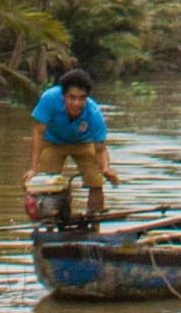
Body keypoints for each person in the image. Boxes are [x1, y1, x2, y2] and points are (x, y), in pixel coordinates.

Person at [27, 65, 118, 213]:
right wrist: (33, 168)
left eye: (81, 98)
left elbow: (100, 148)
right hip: (53, 142)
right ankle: (48, 222)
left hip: (83, 142)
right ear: (63, 96)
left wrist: (106, 169)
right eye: (72, 98)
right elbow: (38, 133)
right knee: (43, 183)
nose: (76, 104)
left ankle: (94, 221)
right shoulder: (49, 99)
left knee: (96, 181)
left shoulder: (93, 113)